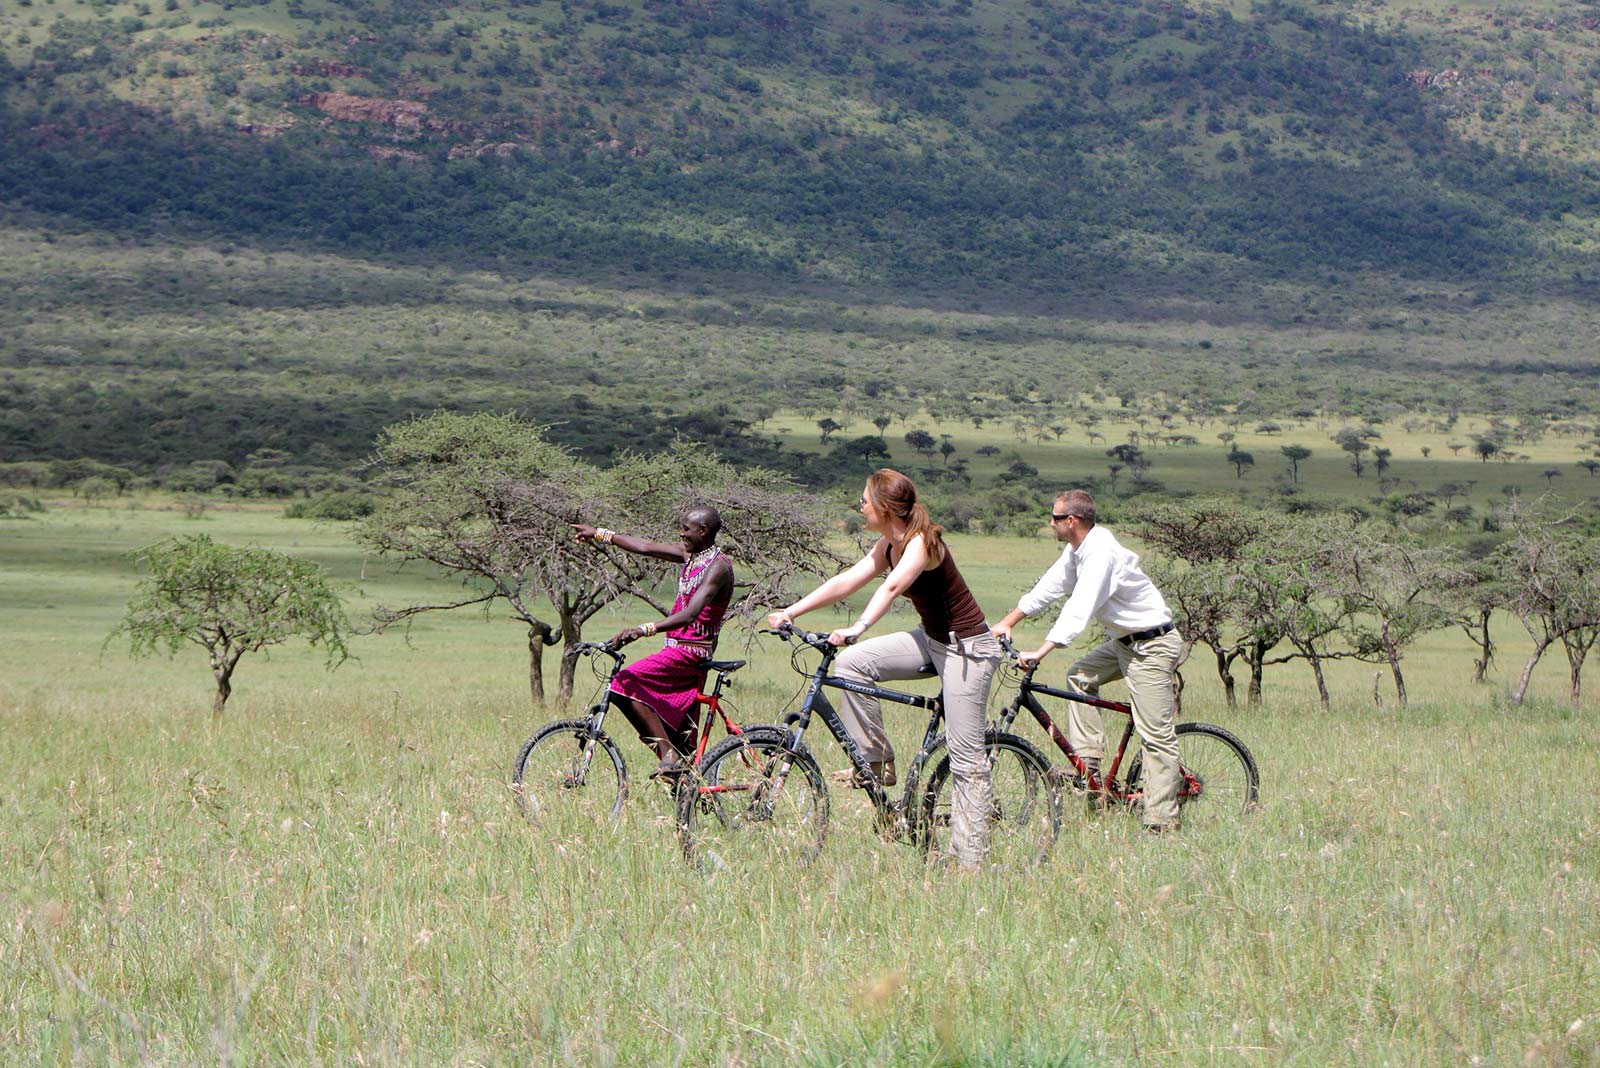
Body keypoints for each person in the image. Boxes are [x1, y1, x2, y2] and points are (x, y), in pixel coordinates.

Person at [767, 468, 1002, 868]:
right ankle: (877, 763)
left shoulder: (921, 544)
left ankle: (970, 862)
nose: (859, 507)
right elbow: (849, 579)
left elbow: (890, 588)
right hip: (932, 642)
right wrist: (791, 610)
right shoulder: (888, 544)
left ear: (884, 507)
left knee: (966, 759)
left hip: (968, 650)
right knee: (853, 663)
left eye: (864, 501)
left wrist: (858, 627)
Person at [991, 489, 1184, 832]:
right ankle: (1088, 763)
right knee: (1079, 677)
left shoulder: (1100, 554)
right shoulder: (1078, 550)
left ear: (1072, 521)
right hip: (1125, 643)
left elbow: (1080, 606)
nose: (1050, 524)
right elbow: (1049, 588)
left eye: (1055, 518)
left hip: (1152, 646)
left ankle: (1161, 822)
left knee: (1155, 735)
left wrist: (1042, 650)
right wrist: (1009, 621)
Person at [571, 507, 734, 777]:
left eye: (686, 528)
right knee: (682, 740)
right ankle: (684, 785)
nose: (681, 533)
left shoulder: (718, 567)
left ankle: (667, 756)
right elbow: (645, 547)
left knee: (625, 682)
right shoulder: (691, 556)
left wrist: (644, 629)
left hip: (692, 653)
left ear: (703, 531)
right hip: (676, 650)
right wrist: (600, 534)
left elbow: (690, 614)